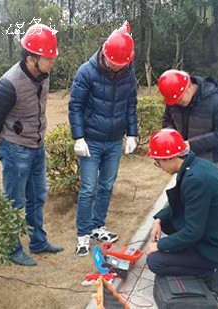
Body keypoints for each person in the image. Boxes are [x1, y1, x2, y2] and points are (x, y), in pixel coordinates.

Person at [0, 24, 63, 266]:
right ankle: (11, 248)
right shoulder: (9, 84)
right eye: (48, 58)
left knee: (38, 196)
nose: (52, 62)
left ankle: (38, 241)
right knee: (14, 201)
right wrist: (12, 139)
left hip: (37, 147)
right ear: (31, 59)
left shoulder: (43, 74)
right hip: (15, 150)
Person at [145, 128, 218, 296]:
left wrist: (159, 246)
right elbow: (181, 205)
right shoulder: (196, 165)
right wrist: (158, 220)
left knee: (155, 261)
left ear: (170, 158)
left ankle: (213, 271)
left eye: (158, 161)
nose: (159, 166)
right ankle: (199, 261)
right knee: (168, 223)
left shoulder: (195, 180)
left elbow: (193, 232)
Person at [68, 22, 138, 256]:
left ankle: (98, 226)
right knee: (88, 188)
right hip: (91, 141)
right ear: (104, 55)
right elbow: (75, 106)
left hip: (114, 140)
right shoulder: (86, 72)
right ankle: (83, 234)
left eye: (122, 65)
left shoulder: (128, 71)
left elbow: (130, 104)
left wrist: (133, 133)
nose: (117, 69)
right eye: (113, 64)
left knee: (107, 186)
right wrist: (78, 137)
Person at [158, 69, 218, 166]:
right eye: (174, 101)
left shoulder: (217, 101)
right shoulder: (174, 100)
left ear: (189, 87)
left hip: (208, 158)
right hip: (181, 156)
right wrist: (172, 138)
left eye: (180, 99)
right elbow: (167, 120)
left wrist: (191, 144)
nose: (177, 103)